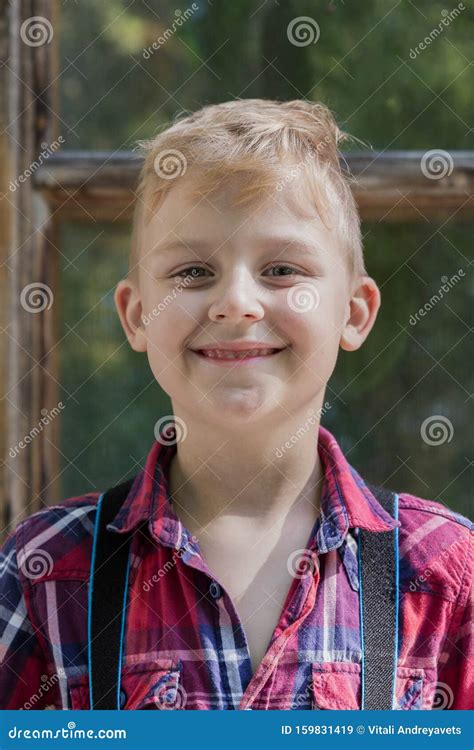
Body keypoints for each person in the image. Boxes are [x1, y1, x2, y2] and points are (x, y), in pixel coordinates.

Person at [0, 99, 472, 710]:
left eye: (281, 269)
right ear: (138, 314)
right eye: (194, 273)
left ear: (353, 313)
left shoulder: (444, 574)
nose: (237, 303)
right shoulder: (45, 572)